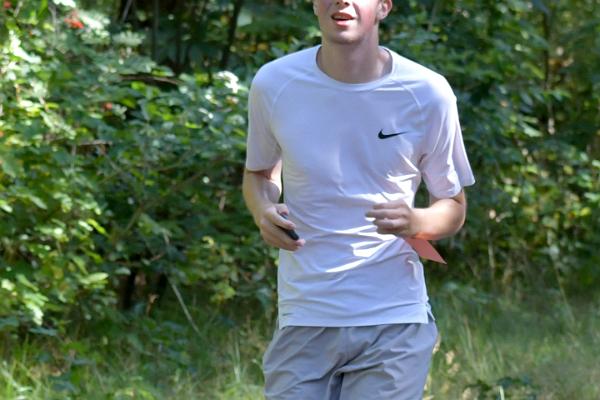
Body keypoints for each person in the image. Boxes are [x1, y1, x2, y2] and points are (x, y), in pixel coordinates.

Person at [242, 0, 475, 398]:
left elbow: (453, 206)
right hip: (305, 314)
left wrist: (417, 222)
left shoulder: (427, 92)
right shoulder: (275, 83)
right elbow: (260, 174)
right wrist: (263, 210)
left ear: (384, 6)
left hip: (393, 319)